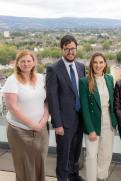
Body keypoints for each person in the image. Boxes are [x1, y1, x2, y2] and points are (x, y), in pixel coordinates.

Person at [2, 50, 49, 181]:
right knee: (24, 166)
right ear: (17, 63)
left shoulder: (41, 78)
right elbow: (13, 108)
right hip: (19, 131)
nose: (26, 64)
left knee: (40, 161)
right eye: (22, 61)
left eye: (29, 61)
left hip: (41, 129)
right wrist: (32, 124)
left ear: (34, 62)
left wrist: (43, 121)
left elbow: (47, 101)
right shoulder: (12, 80)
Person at [46, 35, 85, 181]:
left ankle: (74, 175)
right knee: (64, 154)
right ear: (61, 49)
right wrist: (57, 124)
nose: (70, 52)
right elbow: (52, 98)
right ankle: (62, 178)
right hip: (64, 121)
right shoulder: (53, 69)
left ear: (76, 49)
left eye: (73, 49)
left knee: (76, 150)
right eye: (67, 49)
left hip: (79, 118)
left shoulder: (81, 67)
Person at [79, 52, 117, 181]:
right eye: (95, 62)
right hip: (93, 123)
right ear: (91, 64)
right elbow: (84, 108)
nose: (98, 65)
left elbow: (113, 103)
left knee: (105, 154)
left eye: (101, 62)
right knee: (91, 156)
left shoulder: (109, 79)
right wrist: (90, 130)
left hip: (108, 122)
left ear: (105, 64)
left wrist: (115, 122)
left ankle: (101, 177)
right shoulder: (84, 81)